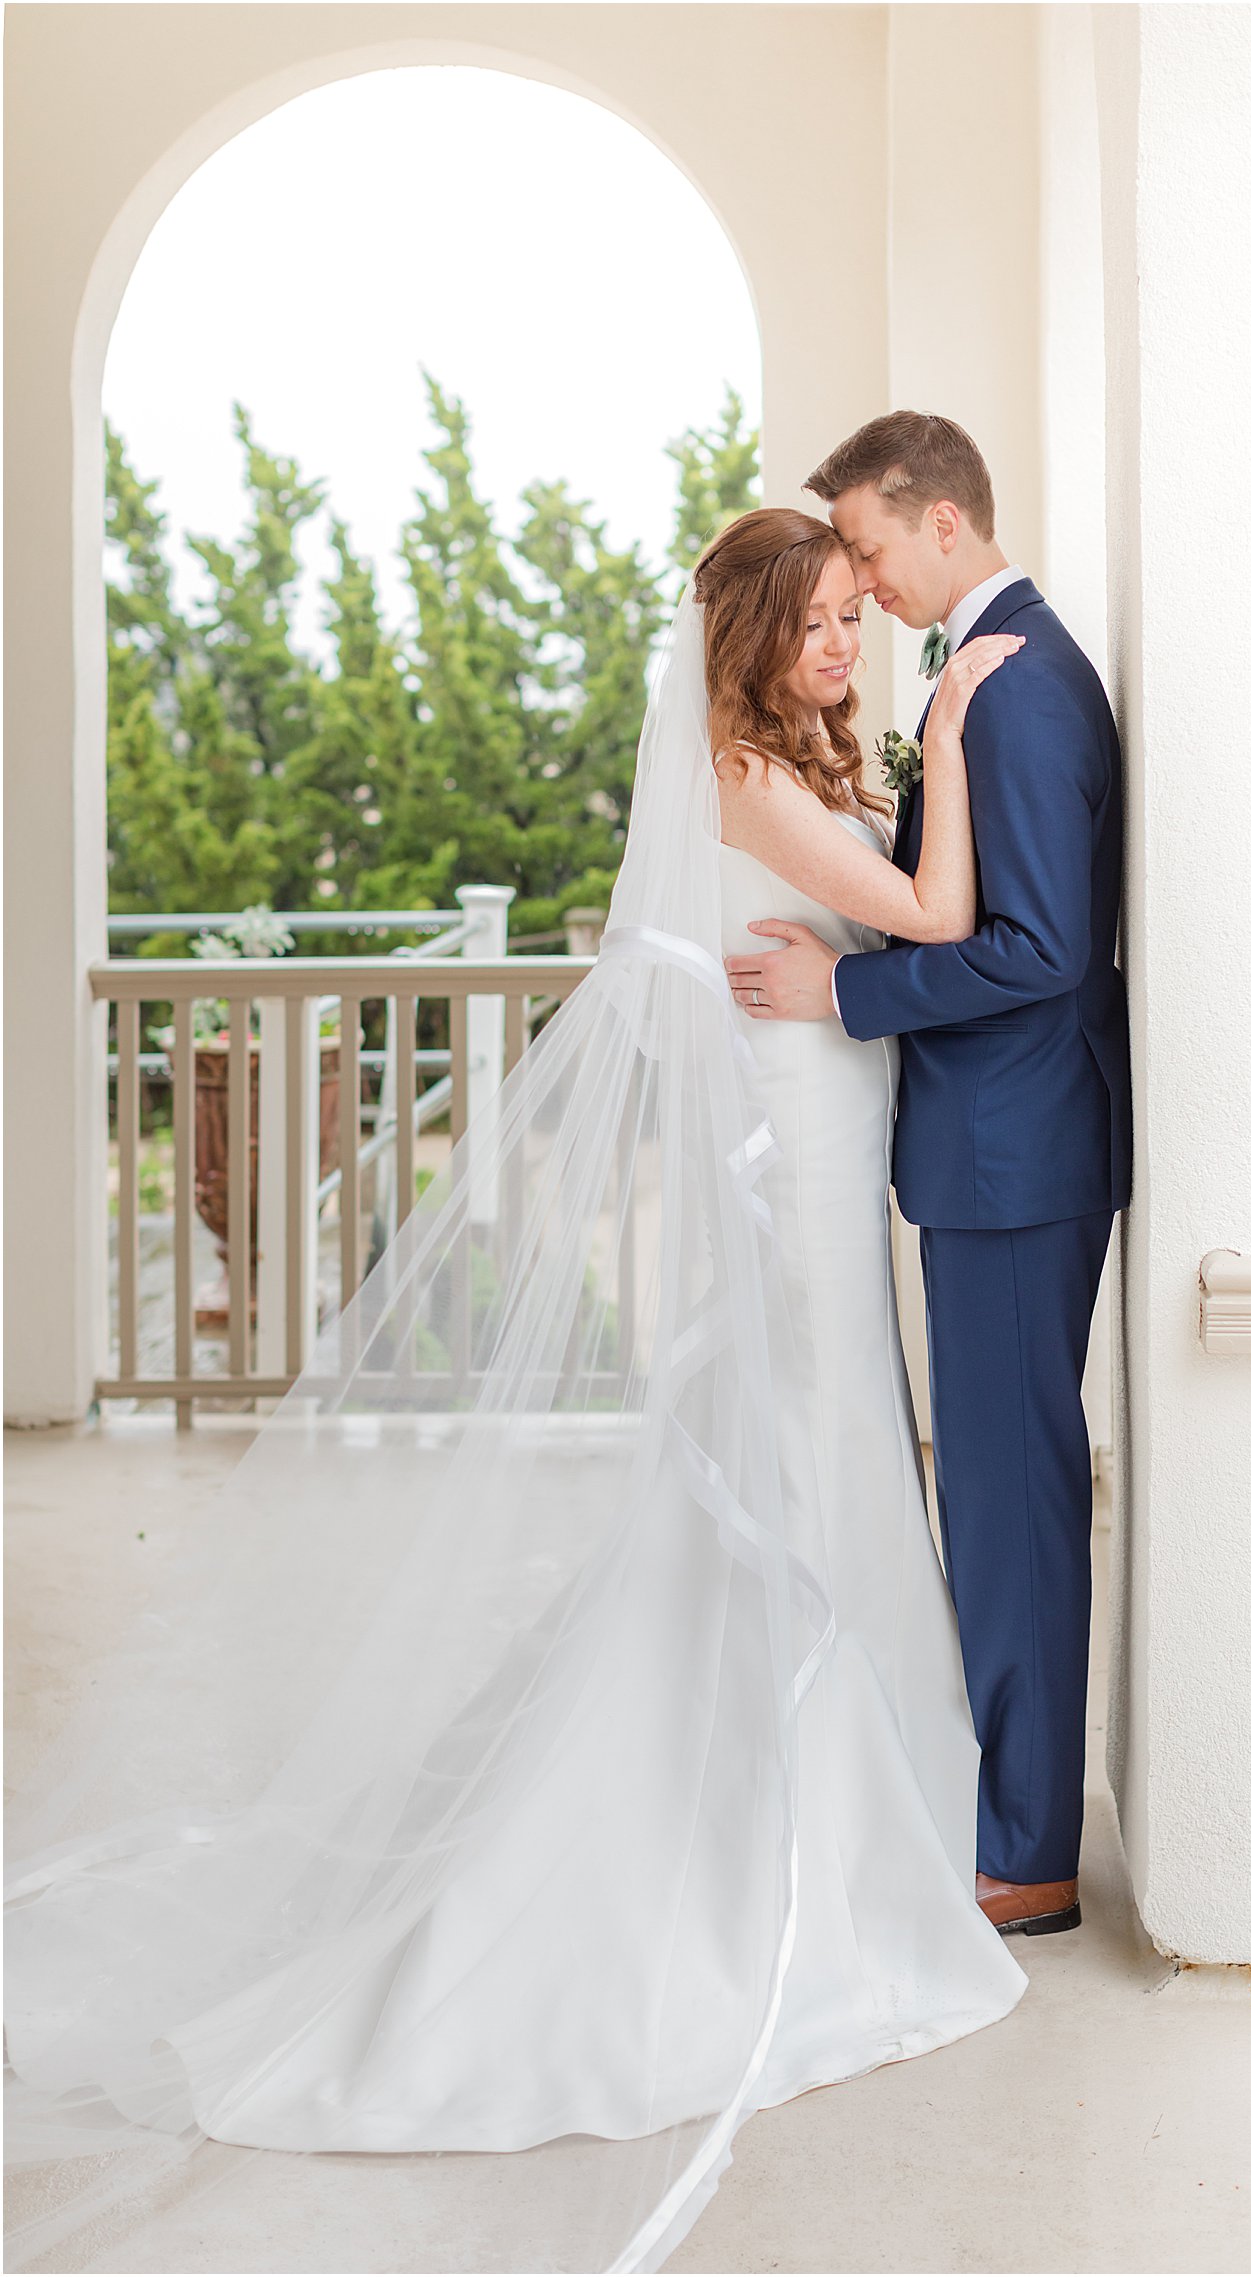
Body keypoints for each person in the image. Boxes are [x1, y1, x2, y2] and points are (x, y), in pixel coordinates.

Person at [5, 508, 1028, 2276]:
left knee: (837, 1452)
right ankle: (811, 1844)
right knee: (817, 1455)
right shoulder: (740, 771)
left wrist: (861, 912)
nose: (851, 648)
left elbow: (876, 931)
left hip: (829, 1121)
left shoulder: (783, 759)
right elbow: (937, 910)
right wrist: (944, 742)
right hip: (793, 1162)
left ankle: (883, 1816)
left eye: (864, 620)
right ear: (757, 633)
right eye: (828, 623)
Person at [725, 414, 1133, 1939]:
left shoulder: (1014, 687)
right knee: (996, 1484)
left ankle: (1023, 1853)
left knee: (1012, 1497)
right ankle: (1000, 1810)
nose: (870, 588)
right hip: (1001, 1146)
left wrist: (847, 996)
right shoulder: (992, 671)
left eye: (875, 555)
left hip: (1016, 1152)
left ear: (943, 524)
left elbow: (1030, 949)